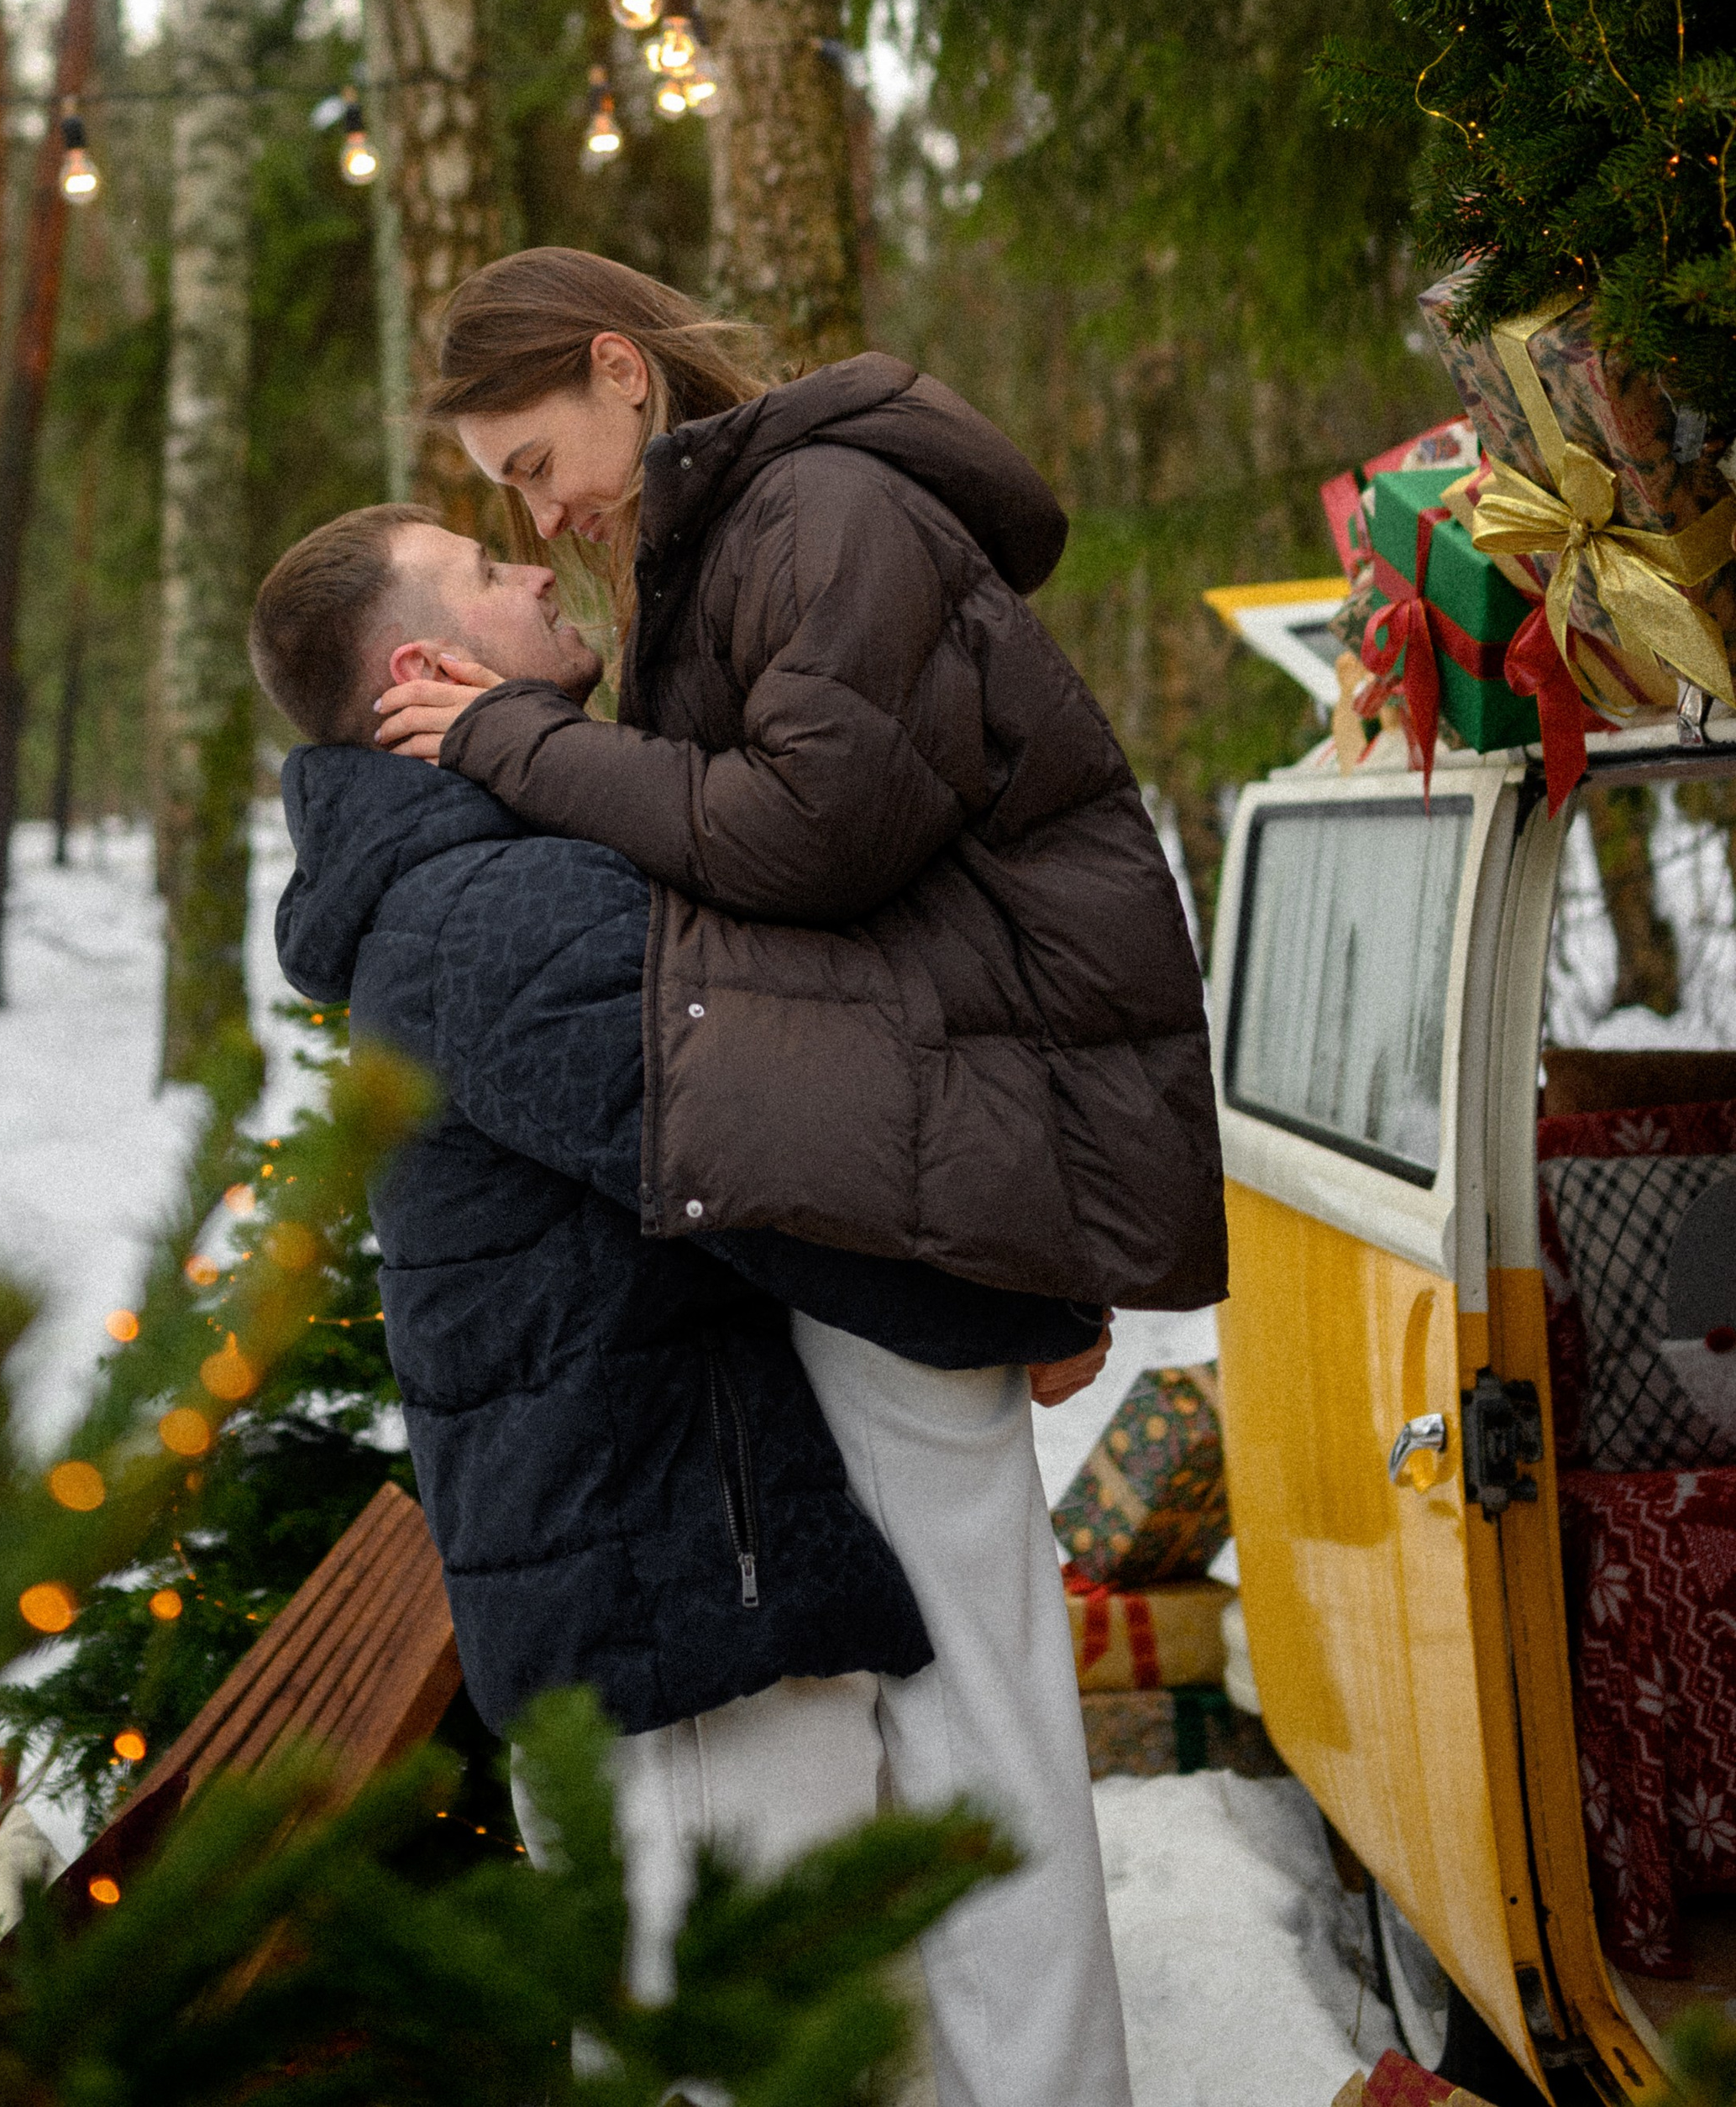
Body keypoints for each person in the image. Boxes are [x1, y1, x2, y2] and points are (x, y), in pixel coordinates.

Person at [369, 249, 1230, 2107]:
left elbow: (810, 835)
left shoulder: (824, 509)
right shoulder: (724, 540)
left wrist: (517, 740)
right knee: (950, 1706)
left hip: (940, 1160)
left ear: (619, 369)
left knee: (984, 1716)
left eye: (534, 463)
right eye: (508, 493)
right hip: (896, 1158)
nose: (540, 513)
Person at [252, 503, 1120, 2064]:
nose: (535, 565)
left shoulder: (479, 877)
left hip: (669, 1581)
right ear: (420, 672)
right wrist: (1023, 1314)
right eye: (486, 570)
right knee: (756, 2064)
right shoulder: (492, 910)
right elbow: (766, 1171)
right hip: (677, 1608)